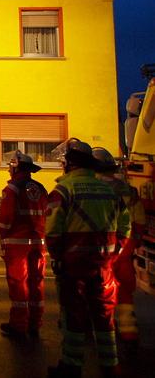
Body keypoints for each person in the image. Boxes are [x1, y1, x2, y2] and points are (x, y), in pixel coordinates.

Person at [46, 138, 130, 378]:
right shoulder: (109, 191)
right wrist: (114, 253)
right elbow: (125, 225)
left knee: (74, 317)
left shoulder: (63, 191)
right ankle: (110, 365)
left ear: (68, 164)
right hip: (103, 265)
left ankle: (71, 366)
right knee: (104, 318)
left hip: (73, 267)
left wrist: (58, 258)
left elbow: (52, 232)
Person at [92, 147, 147, 349]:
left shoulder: (92, 188)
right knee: (124, 288)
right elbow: (139, 219)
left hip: (102, 244)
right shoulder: (126, 190)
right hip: (125, 244)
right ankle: (129, 332)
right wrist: (134, 242)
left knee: (99, 287)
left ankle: (103, 331)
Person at [0, 150, 48, 340]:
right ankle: (35, 324)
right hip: (38, 243)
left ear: (16, 167)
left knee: (19, 285)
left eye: (11, 166)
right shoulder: (41, 188)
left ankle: (19, 326)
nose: (9, 170)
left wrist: (4, 238)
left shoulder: (12, 189)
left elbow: (5, 220)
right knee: (36, 284)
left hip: (17, 245)